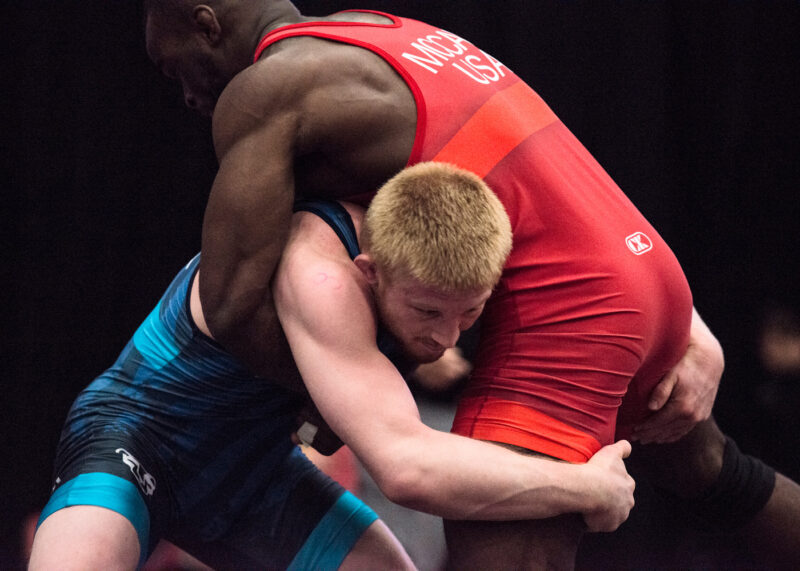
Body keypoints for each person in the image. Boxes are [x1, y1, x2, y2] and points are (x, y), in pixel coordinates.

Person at [142, 1, 800, 567]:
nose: (188, 97)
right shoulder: (389, 31)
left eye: (173, 70)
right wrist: (687, 320)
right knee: (725, 481)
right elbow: (547, 171)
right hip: (644, 267)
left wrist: (336, 395)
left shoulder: (265, 91)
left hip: (579, 308)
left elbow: (231, 306)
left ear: (206, 25)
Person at [28, 165, 637, 570]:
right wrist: (587, 486)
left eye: (469, 313)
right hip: (138, 438)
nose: (446, 337)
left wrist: (685, 338)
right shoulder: (321, 272)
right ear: (370, 273)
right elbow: (407, 469)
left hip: (257, 472)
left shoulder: (428, 257)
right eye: (427, 312)